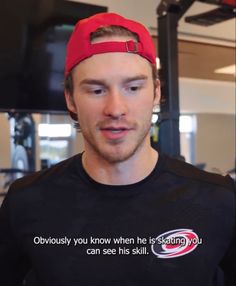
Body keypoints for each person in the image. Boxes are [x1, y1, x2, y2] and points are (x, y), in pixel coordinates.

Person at [0, 12, 235, 286]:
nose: (115, 109)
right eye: (96, 90)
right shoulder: (25, 202)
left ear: (156, 93)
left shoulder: (220, 200)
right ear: (70, 98)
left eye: (133, 87)